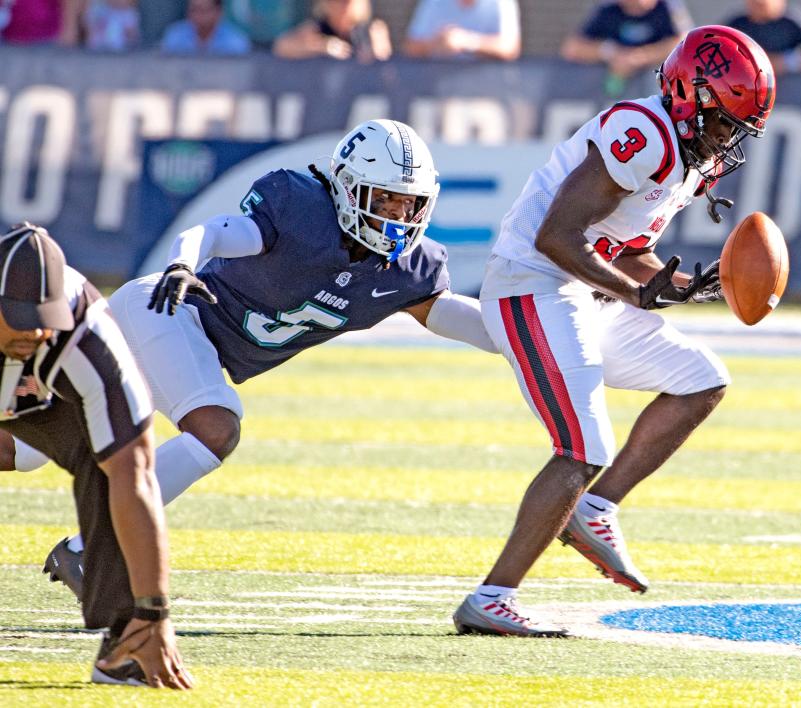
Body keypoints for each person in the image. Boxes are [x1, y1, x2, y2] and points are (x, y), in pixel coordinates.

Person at [12, 120, 498, 600]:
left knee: (28, 447)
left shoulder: (408, 272)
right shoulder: (302, 209)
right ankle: (89, 549)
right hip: (168, 311)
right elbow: (215, 234)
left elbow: (473, 325)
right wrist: (182, 265)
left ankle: (84, 546)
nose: (398, 215)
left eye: (410, 203)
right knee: (215, 429)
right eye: (385, 199)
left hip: (183, 344)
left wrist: (534, 335)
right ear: (348, 188)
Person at [453, 25, 775, 636]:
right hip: (532, 283)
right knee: (582, 447)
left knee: (701, 379)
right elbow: (557, 236)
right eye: (724, 121)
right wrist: (637, 293)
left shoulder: (687, 156)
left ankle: (594, 509)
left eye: (739, 127)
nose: (729, 138)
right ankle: (492, 598)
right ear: (691, 95)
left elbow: (624, 249)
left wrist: (676, 287)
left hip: (581, 294)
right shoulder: (644, 134)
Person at [0, 224, 191, 688]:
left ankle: (128, 645)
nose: (36, 329)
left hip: (44, 393)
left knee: (112, 463)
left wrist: (155, 610)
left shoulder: (87, 333)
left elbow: (137, 475)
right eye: (19, 316)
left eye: (42, 316)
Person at [561, 0, 692, 81]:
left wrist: (641, 57)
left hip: (657, 86)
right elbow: (572, 48)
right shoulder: (607, 10)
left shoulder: (666, 7)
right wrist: (610, 53)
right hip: (614, 89)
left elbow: (685, 42)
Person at [723, 0, 801, 74]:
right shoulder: (737, 24)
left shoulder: (791, 22)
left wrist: (790, 62)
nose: (759, 2)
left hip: (789, 94)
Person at [273, 0, 391, 61]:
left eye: (348, 2)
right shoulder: (318, 28)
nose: (344, 7)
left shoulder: (372, 29)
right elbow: (281, 46)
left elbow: (382, 58)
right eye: (338, 1)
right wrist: (323, 47)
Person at [402, 0, 520, 61]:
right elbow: (410, 47)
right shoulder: (434, 2)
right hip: (440, 90)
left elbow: (510, 48)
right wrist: (435, 44)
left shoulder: (501, 2)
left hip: (489, 92)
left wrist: (468, 42)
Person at [160, 0, 250, 55]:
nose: (197, 15)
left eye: (203, 10)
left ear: (219, 12)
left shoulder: (235, 41)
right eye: (193, 10)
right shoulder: (175, 35)